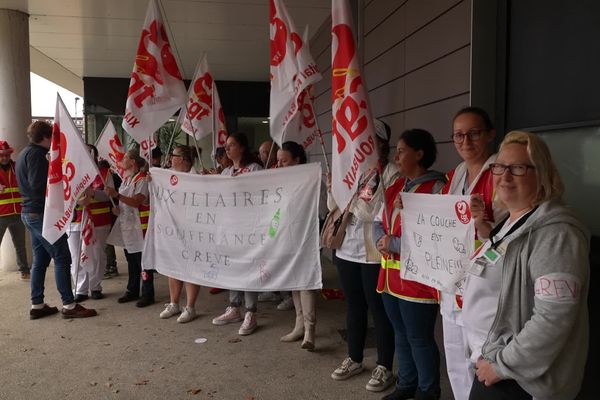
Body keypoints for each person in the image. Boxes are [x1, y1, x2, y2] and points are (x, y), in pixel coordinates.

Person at [466, 131, 589, 400]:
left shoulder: (556, 236)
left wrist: (501, 366)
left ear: (542, 174)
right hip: (492, 363)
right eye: (499, 166)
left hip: (519, 381)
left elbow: (553, 318)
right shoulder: (511, 224)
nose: (504, 176)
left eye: (518, 168)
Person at [373, 129, 446, 400]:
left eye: (402, 151)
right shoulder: (395, 187)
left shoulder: (437, 189)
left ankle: (428, 391)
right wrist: (381, 239)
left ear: (420, 154)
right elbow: (379, 221)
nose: (396, 156)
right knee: (400, 334)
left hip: (418, 283)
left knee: (419, 338)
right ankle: (406, 384)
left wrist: (393, 245)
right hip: (391, 279)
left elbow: (437, 236)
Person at [329, 120, 396, 394]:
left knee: (379, 310)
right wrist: (333, 187)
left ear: (381, 143)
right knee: (354, 306)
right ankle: (354, 358)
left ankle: (384, 366)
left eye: (370, 140)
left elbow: (376, 212)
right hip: (347, 248)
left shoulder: (390, 173)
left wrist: (353, 200)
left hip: (374, 252)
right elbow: (332, 206)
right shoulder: (349, 172)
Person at [440, 107, 501, 400]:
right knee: (454, 356)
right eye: (458, 135)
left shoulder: (501, 174)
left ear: (490, 134)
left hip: (488, 284)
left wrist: (484, 223)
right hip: (453, 280)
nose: (465, 141)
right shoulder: (454, 176)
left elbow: (514, 229)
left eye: (473, 133)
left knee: (482, 358)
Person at [16, 121, 97, 319]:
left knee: (41, 259)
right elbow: (39, 186)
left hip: (31, 213)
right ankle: (69, 305)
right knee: (62, 256)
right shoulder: (37, 156)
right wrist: (60, 183)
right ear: (46, 137)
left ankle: (37, 304)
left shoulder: (24, 154)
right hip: (41, 214)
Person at [211, 132, 263, 335]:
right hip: (229, 229)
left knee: (248, 268)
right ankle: (234, 307)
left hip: (248, 229)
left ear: (242, 147)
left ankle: (251, 311)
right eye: (226, 145)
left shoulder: (254, 169)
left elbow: (259, 194)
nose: (227, 148)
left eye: (231, 145)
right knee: (232, 268)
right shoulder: (225, 172)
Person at [276, 141, 318, 350]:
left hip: (306, 235)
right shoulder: (280, 181)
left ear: (297, 160)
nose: (279, 165)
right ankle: (299, 325)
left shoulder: (309, 179)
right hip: (287, 235)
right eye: (278, 161)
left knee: (305, 282)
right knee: (294, 280)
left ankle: (310, 331)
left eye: (284, 161)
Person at [105, 149, 154, 308]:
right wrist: (117, 209)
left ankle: (148, 293)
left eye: (125, 157)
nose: (122, 160)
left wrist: (117, 196)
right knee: (131, 260)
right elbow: (126, 204)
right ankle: (132, 289)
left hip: (140, 227)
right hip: (127, 226)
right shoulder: (126, 179)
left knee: (142, 261)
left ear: (132, 161)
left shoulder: (141, 180)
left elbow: (137, 201)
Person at [159, 145, 201, 323]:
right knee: (173, 266)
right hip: (172, 229)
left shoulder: (197, 177)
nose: (170, 158)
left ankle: (190, 306)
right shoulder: (167, 175)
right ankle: (174, 303)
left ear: (183, 159)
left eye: (173, 155)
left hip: (192, 230)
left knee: (190, 267)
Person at [67, 145, 114, 301]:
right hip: (76, 221)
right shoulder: (69, 173)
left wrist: (92, 193)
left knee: (98, 255)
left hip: (99, 222)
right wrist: (77, 200)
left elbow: (110, 197)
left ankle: (95, 286)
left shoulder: (104, 174)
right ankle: (81, 289)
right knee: (76, 256)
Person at [0, 140, 30, 280]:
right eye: (1, 155)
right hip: (1, 215)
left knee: (20, 244)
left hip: (18, 212)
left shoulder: (17, 167)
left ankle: (24, 270)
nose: (5, 158)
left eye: (7, 155)